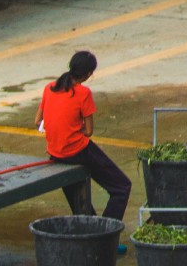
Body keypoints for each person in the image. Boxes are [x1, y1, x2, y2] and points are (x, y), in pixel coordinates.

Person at [39, 50, 133, 235]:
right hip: (76, 151)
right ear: (89, 74)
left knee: (77, 199)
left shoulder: (50, 87)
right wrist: (75, 128)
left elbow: (38, 121)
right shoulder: (83, 93)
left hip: (55, 153)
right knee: (122, 187)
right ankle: (107, 235)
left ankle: (91, 233)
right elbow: (88, 131)